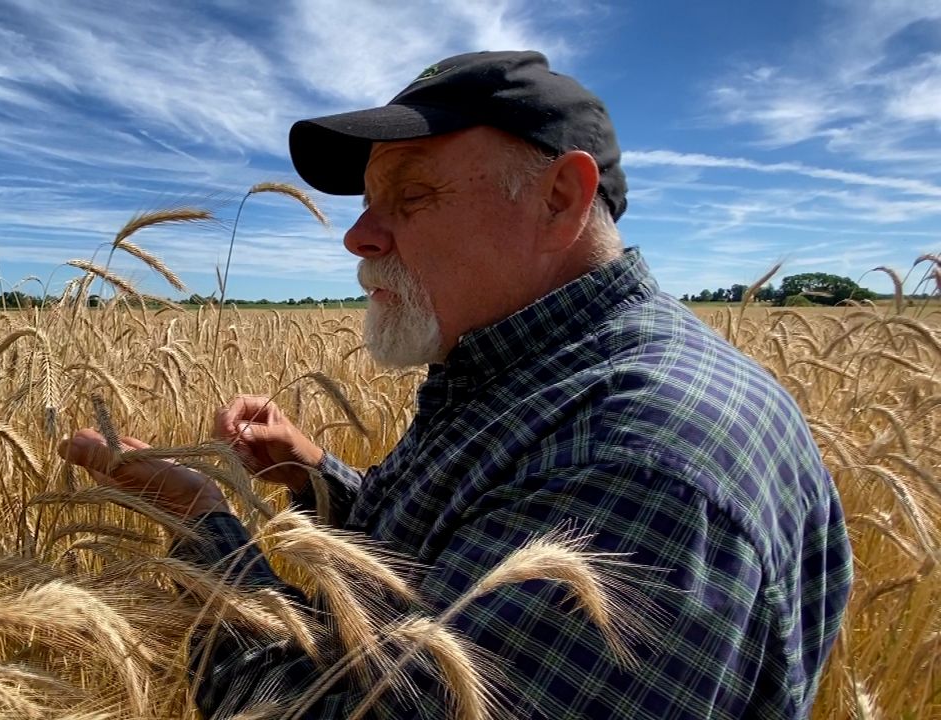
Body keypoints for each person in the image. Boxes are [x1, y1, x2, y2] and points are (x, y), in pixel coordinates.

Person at [60, 50, 853, 718]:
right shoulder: (537, 373)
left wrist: (202, 525)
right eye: (369, 202)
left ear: (559, 199)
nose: (358, 236)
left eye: (411, 195)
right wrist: (312, 478)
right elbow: (450, 566)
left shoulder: (642, 462)